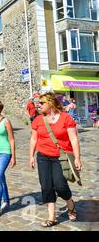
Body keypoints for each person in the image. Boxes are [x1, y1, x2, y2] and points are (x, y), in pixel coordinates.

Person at [29, 92, 81, 227]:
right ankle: (52, 217)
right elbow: (33, 138)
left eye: (41, 103)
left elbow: (74, 139)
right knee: (46, 186)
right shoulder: (38, 120)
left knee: (60, 186)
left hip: (61, 157)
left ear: (50, 103)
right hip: (43, 156)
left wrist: (77, 158)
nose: (38, 105)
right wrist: (31, 156)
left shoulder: (66, 118)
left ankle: (70, 204)